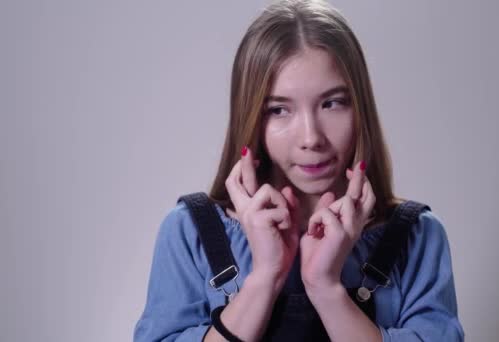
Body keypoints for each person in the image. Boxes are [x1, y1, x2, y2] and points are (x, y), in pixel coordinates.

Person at [134, 0, 464, 341]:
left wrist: (325, 288)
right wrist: (264, 277)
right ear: (251, 119)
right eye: (279, 110)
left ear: (359, 107)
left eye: (331, 103)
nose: (311, 138)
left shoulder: (417, 237)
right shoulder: (190, 233)